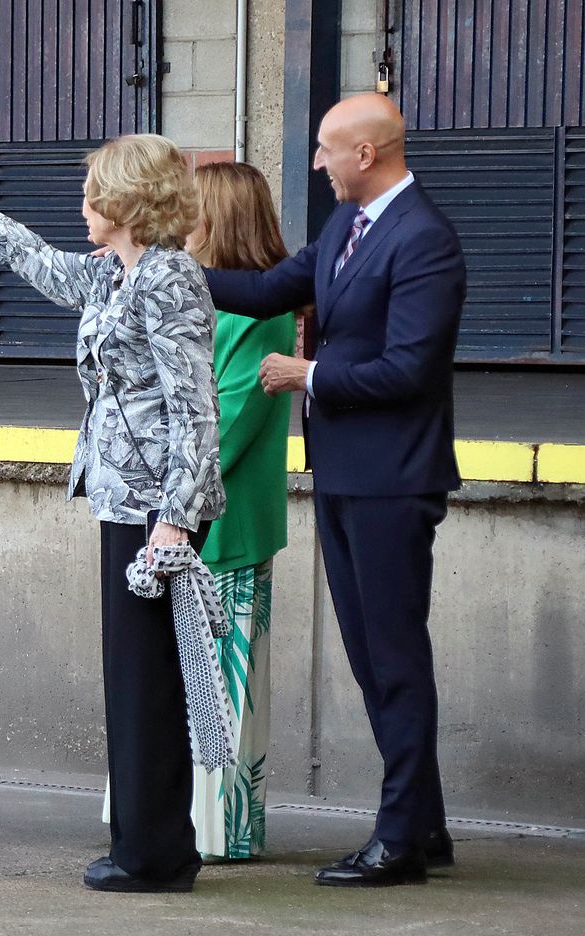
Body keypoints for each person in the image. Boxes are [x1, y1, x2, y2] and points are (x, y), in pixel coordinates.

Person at [0, 128, 226, 893]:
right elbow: (40, 265)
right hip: (125, 497)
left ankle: (155, 857)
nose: (81, 204)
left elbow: (196, 407)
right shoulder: (114, 274)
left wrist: (176, 520)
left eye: (92, 193)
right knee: (132, 678)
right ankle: (145, 845)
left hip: (159, 506)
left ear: (124, 202)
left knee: (149, 683)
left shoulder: (169, 279)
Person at [202, 93, 466, 887]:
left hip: (393, 480)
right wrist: (167, 264)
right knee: (372, 654)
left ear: (365, 155)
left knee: (391, 658)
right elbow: (262, 291)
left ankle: (397, 844)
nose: (314, 163)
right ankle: (425, 823)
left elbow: (410, 370)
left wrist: (307, 373)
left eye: (323, 150)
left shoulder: (426, 242)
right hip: (348, 474)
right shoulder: (346, 230)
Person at [186, 161, 297, 860]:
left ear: (218, 221)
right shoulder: (221, 303)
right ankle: (194, 825)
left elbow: (224, 427)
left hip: (222, 524)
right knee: (201, 686)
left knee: (220, 692)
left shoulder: (259, 313)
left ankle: (221, 832)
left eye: (190, 213)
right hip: (198, 518)